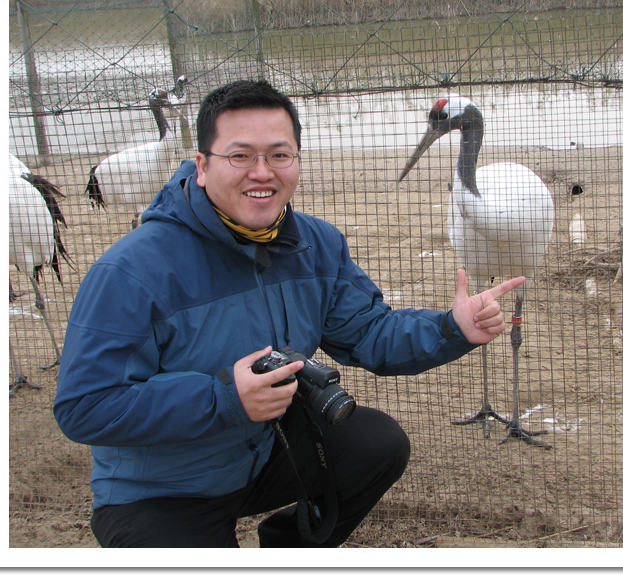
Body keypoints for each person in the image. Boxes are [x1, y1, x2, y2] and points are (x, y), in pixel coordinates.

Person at [54, 79, 526, 548]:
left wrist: (451, 328)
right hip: (162, 488)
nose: (262, 173)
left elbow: (368, 333)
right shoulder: (131, 271)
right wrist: (224, 399)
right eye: (240, 156)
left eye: (279, 155)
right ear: (201, 166)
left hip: (263, 449)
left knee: (378, 446)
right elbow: (84, 406)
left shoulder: (316, 245)